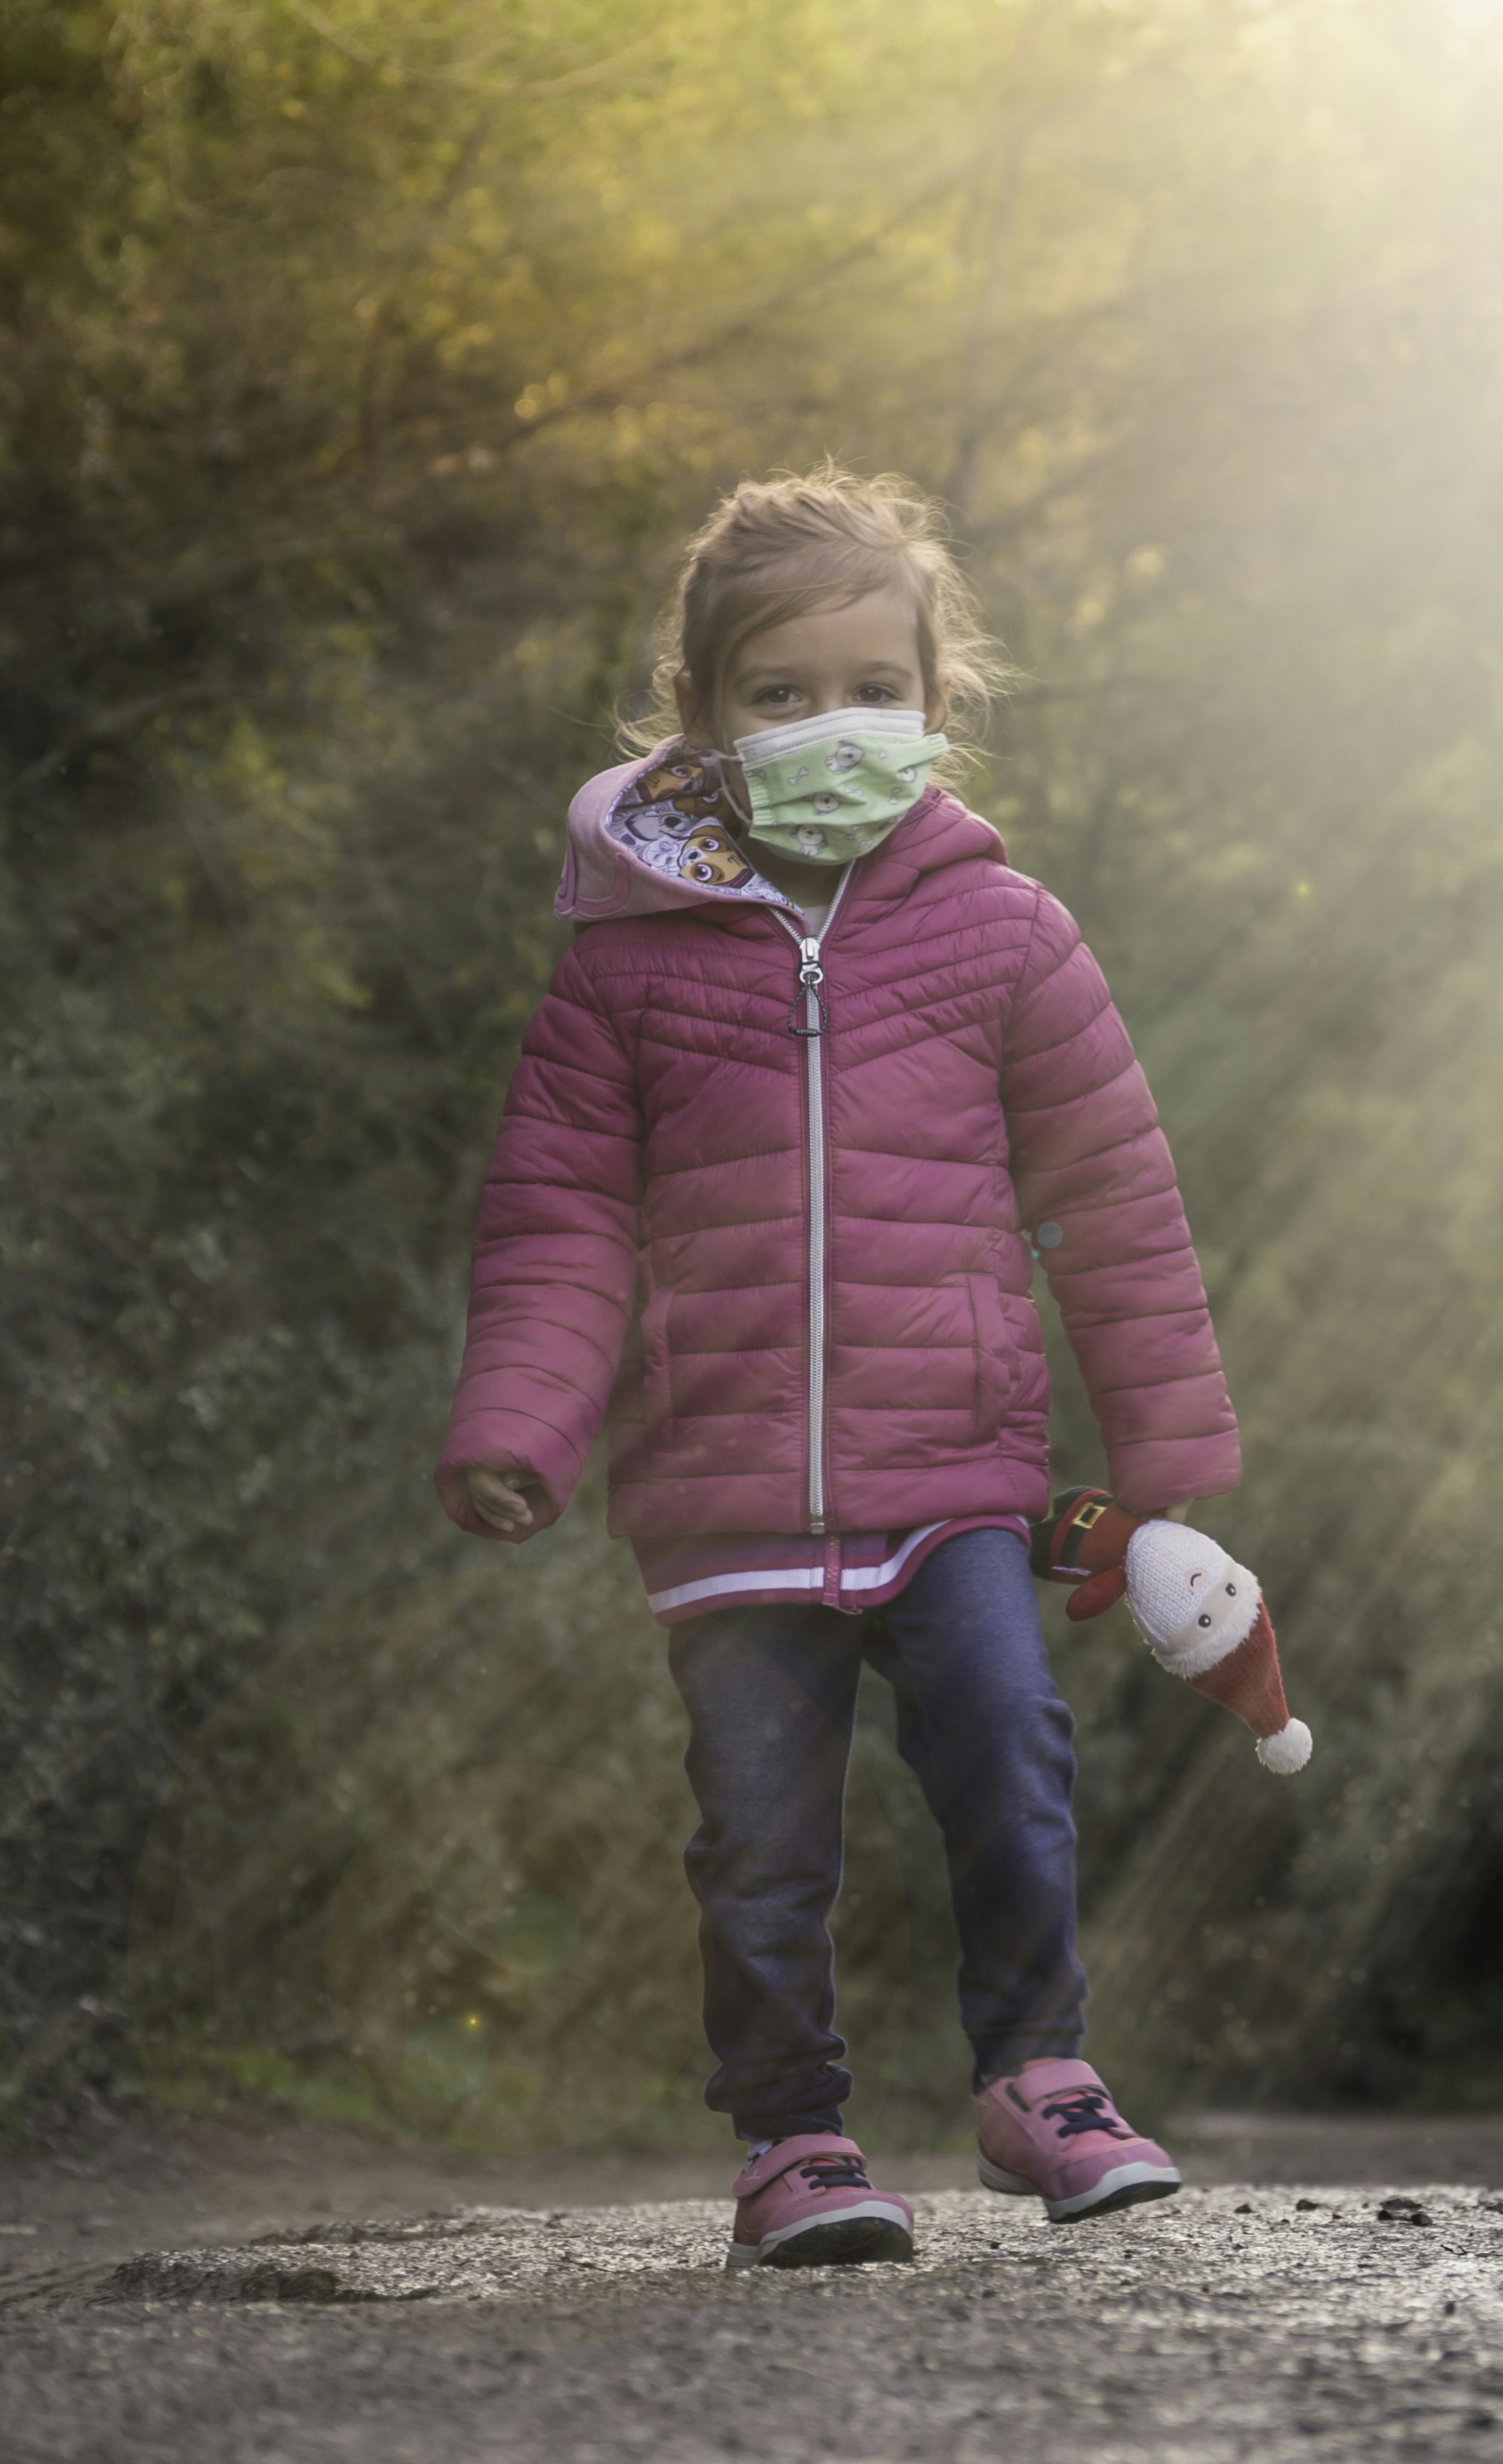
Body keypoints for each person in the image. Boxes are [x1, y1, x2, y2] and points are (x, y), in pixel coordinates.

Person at [436, 467, 1240, 2270]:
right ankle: (792, 2135)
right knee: (759, 1838)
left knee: (1008, 1750)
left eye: (874, 688)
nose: (832, 725)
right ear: (701, 716)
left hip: (952, 1466)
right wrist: (518, 1422)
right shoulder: (622, 970)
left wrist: (1165, 1457)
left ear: (936, 703)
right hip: (720, 1485)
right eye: (779, 694)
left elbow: (1114, 1203)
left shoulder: (1005, 934)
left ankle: (1038, 2075)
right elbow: (560, 1219)